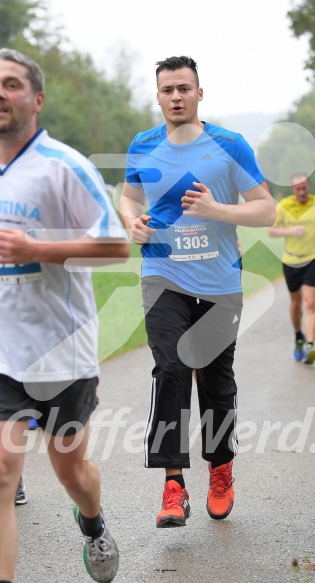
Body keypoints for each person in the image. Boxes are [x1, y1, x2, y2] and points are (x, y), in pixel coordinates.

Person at [120, 56, 275, 528]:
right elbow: (129, 196)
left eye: (184, 88)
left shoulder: (229, 144)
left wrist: (215, 209)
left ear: (199, 94)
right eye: (167, 90)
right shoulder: (143, 144)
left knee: (214, 383)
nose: (176, 97)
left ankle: (221, 468)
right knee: (170, 368)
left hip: (219, 286)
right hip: (163, 278)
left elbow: (266, 210)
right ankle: (172, 485)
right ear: (158, 95)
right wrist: (132, 222)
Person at [0, 48, 130, 583]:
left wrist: (38, 248)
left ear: (37, 98)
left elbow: (116, 246)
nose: (0, 93)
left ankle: (94, 525)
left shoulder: (63, 165)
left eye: (10, 84)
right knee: (3, 474)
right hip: (4, 351)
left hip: (63, 353)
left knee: (71, 473)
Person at [268, 173, 315, 364]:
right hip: (291, 260)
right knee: (296, 303)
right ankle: (298, 337)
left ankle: (310, 345)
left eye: (304, 187)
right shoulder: (284, 205)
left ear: (308, 186)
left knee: (310, 302)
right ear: (292, 189)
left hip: (313, 258)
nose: (302, 192)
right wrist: (290, 231)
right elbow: (272, 230)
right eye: (298, 189)